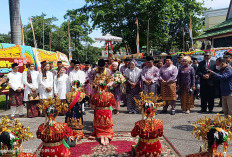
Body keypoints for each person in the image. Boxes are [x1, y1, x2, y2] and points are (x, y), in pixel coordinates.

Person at [131, 92, 164, 157]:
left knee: (134, 148)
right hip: (156, 151)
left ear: (143, 110)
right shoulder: (159, 123)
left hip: (143, 152)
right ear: (154, 110)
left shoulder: (139, 123)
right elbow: (160, 134)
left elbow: (133, 134)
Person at [90, 74, 116, 146]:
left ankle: (101, 136)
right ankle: (107, 136)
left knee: (99, 125)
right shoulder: (110, 95)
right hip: (107, 111)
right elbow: (113, 104)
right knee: (107, 125)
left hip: (98, 111)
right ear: (106, 86)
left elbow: (92, 105)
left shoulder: (95, 95)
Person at [65, 80, 88, 146]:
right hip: (77, 113)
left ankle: (70, 137)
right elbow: (87, 99)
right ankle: (76, 138)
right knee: (78, 132)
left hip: (70, 114)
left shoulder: (68, 94)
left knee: (68, 131)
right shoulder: (82, 94)